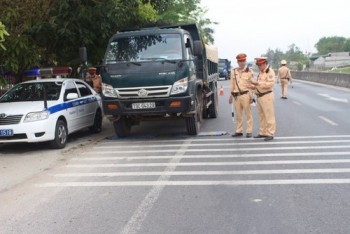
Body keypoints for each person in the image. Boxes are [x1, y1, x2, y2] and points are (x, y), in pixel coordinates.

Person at [247, 57, 275, 141]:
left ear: (264, 64)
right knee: (261, 116)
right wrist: (252, 86)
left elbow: (270, 84)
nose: (258, 66)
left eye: (259, 65)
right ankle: (262, 132)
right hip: (259, 96)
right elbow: (258, 85)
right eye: (258, 65)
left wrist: (258, 82)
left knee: (269, 116)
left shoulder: (269, 71)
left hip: (267, 96)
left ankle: (270, 133)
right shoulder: (261, 73)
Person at [229, 53, 255, 138]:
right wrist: (230, 95)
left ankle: (249, 131)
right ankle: (239, 130)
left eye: (243, 61)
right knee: (238, 114)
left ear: (245, 61)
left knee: (248, 114)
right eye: (240, 61)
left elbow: (252, 84)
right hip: (237, 96)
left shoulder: (249, 71)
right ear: (237, 61)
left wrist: (252, 96)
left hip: (246, 95)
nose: (242, 63)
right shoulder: (234, 71)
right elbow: (232, 84)